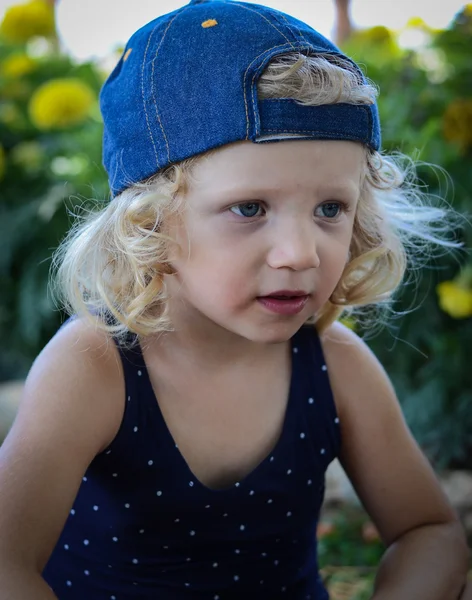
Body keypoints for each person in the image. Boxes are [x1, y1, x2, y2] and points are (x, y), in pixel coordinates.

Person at [0, 0, 469, 598]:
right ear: (147, 225)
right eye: (250, 208)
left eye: (331, 209)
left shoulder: (335, 365)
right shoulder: (97, 366)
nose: (300, 253)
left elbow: (429, 529)